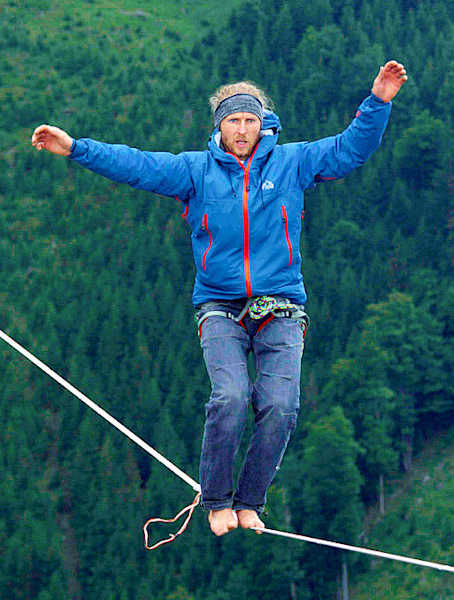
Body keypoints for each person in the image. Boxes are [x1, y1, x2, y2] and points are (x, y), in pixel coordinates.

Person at [32, 61, 407, 536]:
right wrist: (75, 148)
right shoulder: (196, 171)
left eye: (250, 120)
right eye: (234, 121)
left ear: (263, 124)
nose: (243, 130)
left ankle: (249, 502)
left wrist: (378, 102)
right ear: (220, 127)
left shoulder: (292, 163)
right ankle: (216, 502)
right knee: (230, 397)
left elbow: (349, 149)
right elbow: (136, 165)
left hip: (282, 306)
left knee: (281, 405)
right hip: (219, 306)